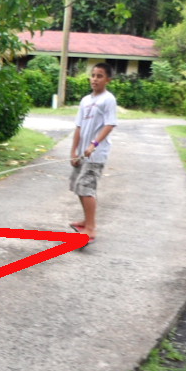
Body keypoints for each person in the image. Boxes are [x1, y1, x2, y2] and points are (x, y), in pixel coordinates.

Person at [68, 62, 117, 244]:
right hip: (82, 153)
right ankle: (86, 221)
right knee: (79, 187)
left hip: (95, 154)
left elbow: (110, 124)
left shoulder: (108, 99)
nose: (95, 79)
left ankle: (91, 228)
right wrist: (74, 150)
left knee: (86, 187)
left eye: (100, 76)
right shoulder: (85, 100)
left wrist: (94, 144)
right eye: (93, 75)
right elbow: (79, 127)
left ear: (107, 80)